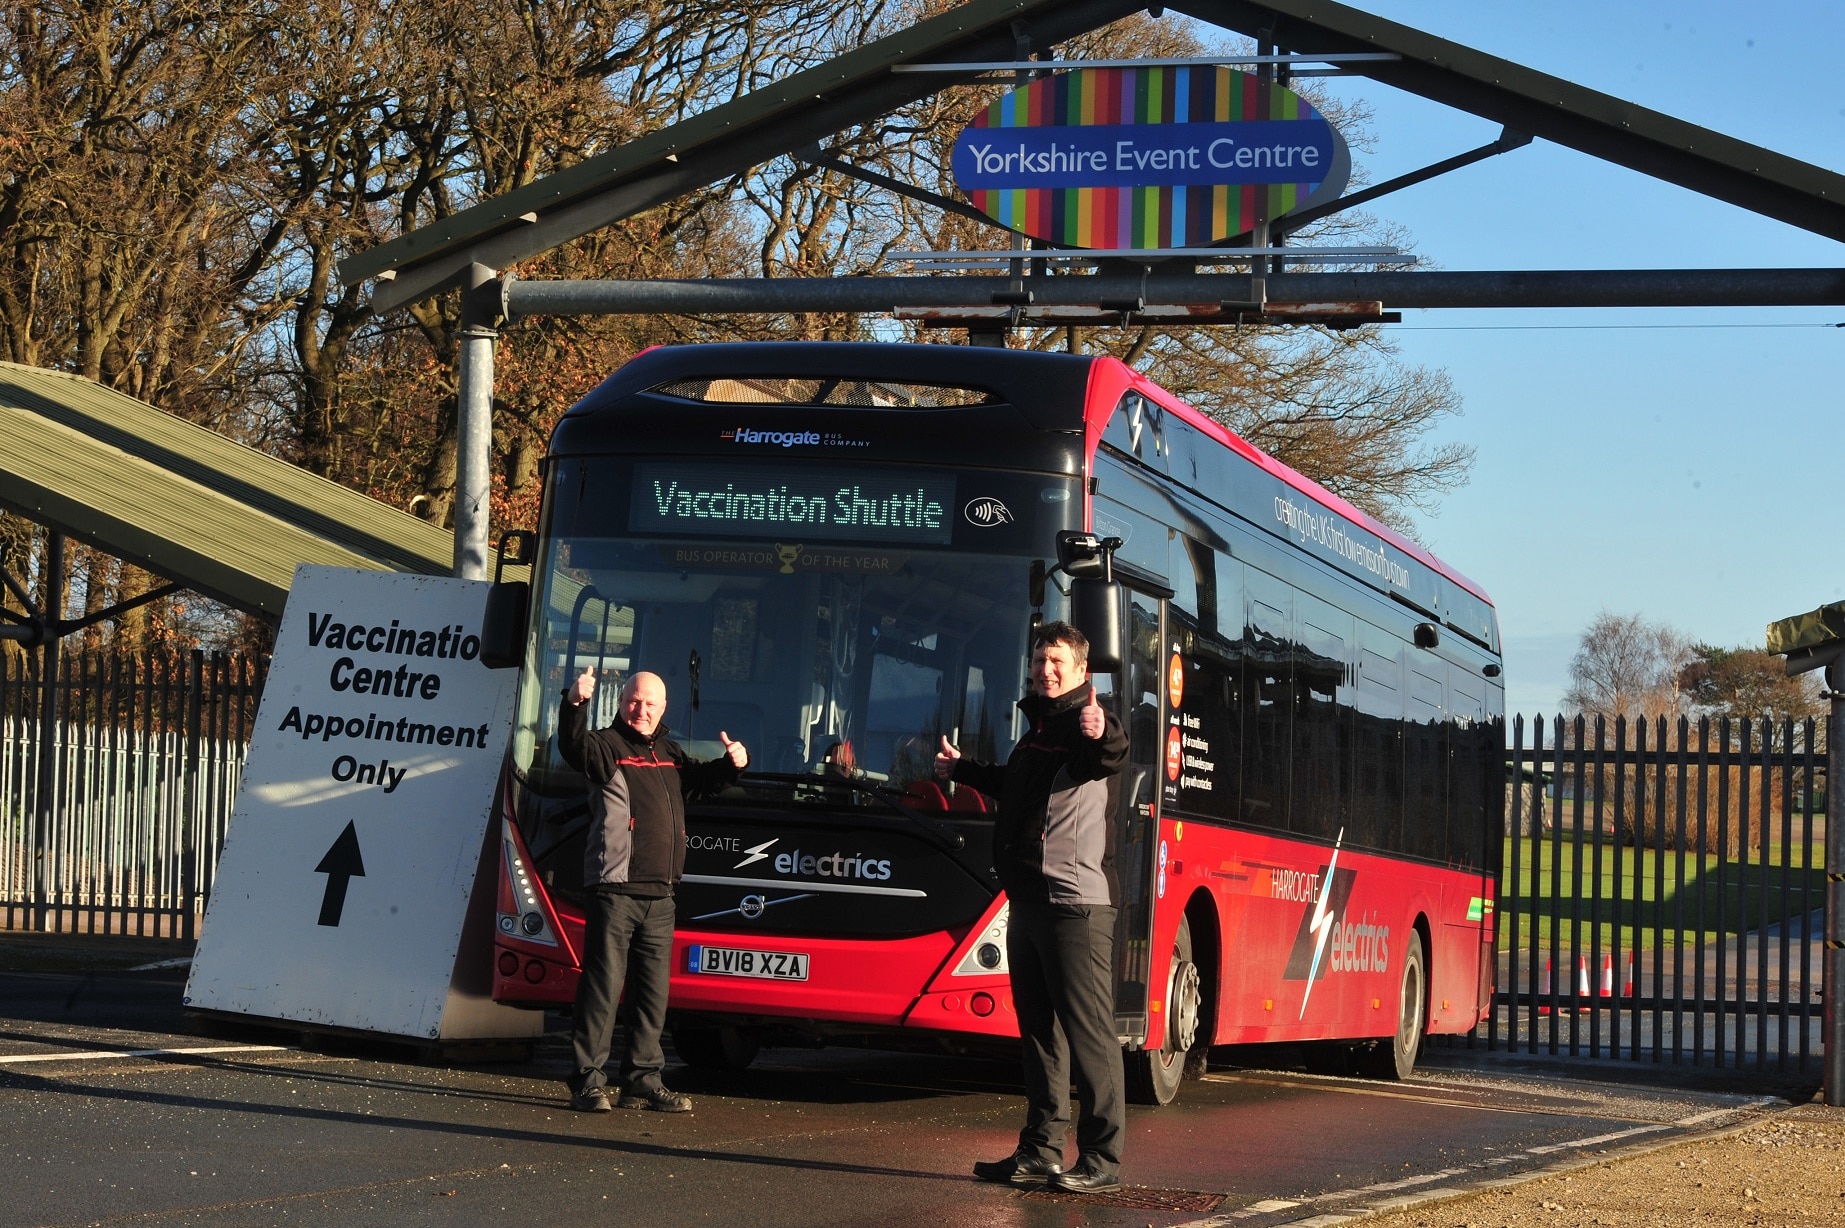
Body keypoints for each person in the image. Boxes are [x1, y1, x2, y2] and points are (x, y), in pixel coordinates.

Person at [935, 621, 1129, 1194]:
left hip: (1075, 905)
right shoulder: (1039, 728)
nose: (1046, 669)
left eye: (1057, 661)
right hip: (1028, 900)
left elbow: (1110, 749)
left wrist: (1102, 727)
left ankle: (1101, 1160)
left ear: (1080, 671)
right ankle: (1041, 1150)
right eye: (1040, 659)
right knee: (1040, 1034)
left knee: (1089, 1034)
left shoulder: (1085, 725)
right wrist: (964, 770)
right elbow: (1019, 788)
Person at [558, 667, 748, 1114]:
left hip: (661, 893)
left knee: (651, 994)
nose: (640, 710)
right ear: (621, 701)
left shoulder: (669, 751)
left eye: (650, 704)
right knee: (603, 989)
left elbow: (699, 785)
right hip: (615, 888)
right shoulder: (604, 746)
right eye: (633, 701)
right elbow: (573, 747)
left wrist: (732, 765)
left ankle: (642, 1081)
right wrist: (574, 704)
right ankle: (588, 1081)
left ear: (663, 709)